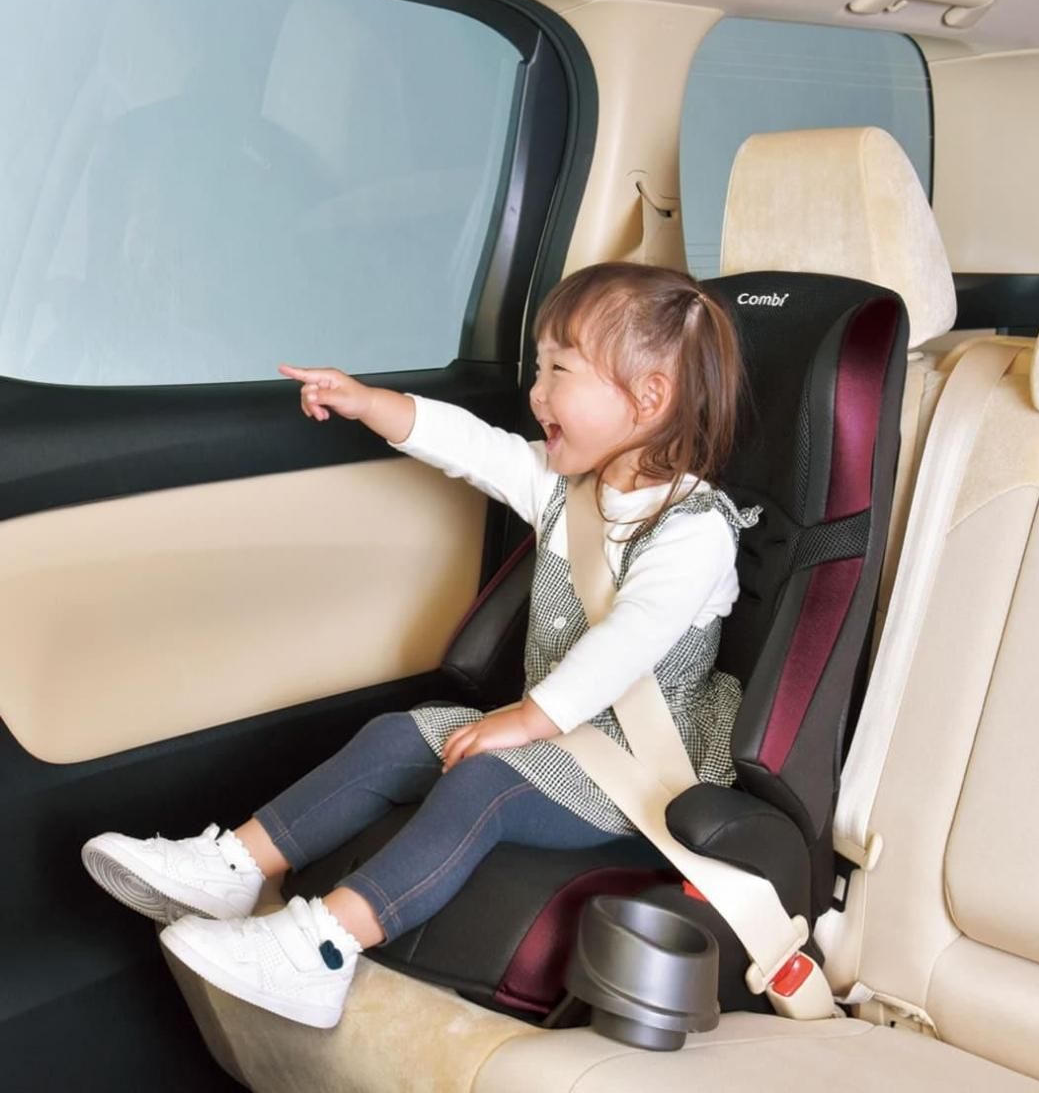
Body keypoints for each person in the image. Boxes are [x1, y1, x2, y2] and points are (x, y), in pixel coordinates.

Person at [81, 261, 759, 1030]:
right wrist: (368, 402)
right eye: (539, 369)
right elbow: (473, 446)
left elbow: (630, 641)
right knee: (394, 737)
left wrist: (524, 719)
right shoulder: (568, 488)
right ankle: (234, 866)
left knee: (481, 783)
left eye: (559, 371)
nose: (536, 394)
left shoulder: (695, 530)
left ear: (648, 399)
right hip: (554, 735)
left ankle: (322, 951)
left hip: (633, 773)